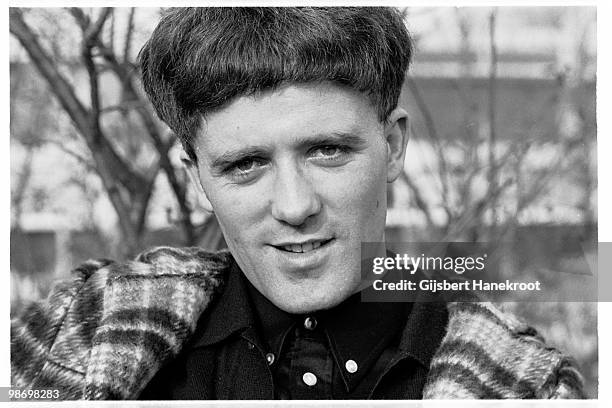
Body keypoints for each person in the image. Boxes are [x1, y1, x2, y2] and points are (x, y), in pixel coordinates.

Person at [11, 7, 584, 400]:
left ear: (393, 147)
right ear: (196, 181)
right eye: (245, 164)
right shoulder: (73, 339)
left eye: (327, 150)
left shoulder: (526, 386)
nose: (293, 205)